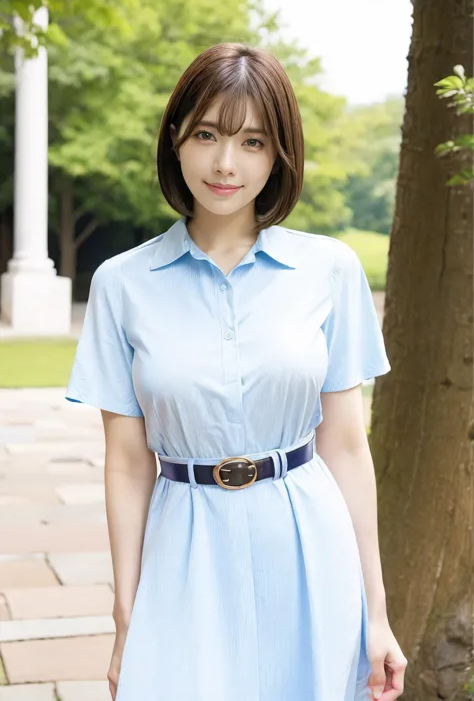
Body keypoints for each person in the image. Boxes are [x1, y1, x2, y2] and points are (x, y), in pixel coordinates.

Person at [65, 42, 408, 701]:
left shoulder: (330, 272)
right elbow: (128, 463)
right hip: (183, 546)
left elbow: (344, 444)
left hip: (308, 542)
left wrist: (377, 611)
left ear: (279, 153)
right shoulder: (121, 284)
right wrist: (125, 612)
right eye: (207, 135)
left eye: (253, 141)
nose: (226, 163)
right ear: (176, 141)